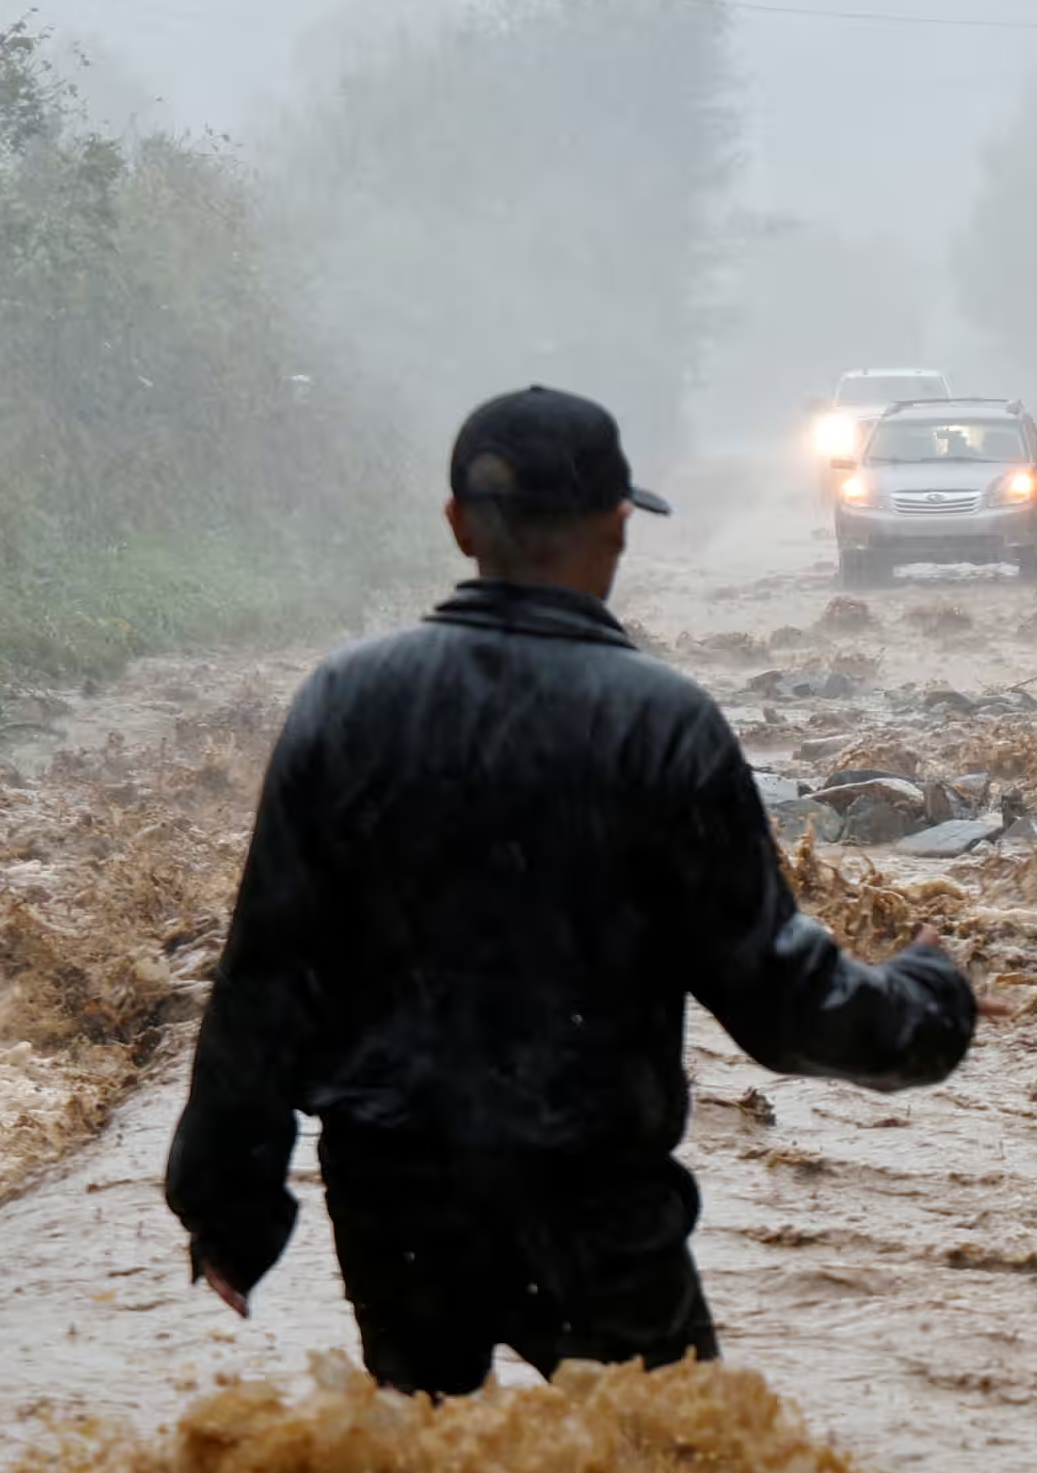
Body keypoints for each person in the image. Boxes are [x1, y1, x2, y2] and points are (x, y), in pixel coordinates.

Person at [163, 384, 976, 1394]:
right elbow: (775, 998)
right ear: (616, 528)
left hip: (393, 1202)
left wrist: (229, 1212)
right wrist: (927, 1003)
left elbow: (265, 980)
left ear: (459, 524)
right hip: (595, 1205)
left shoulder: (344, 702)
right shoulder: (662, 723)